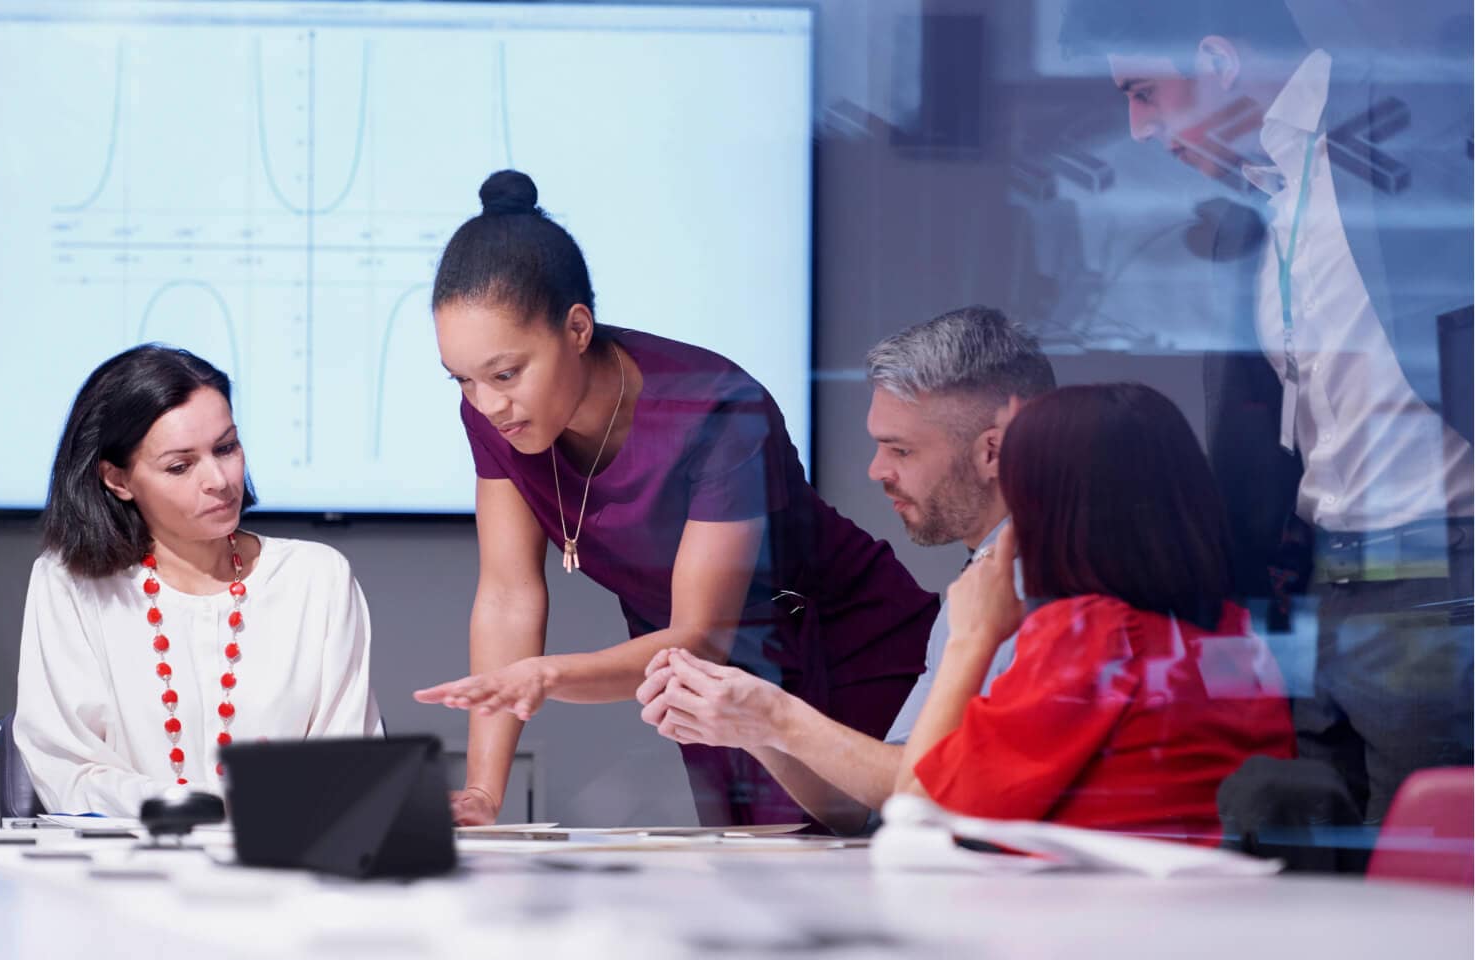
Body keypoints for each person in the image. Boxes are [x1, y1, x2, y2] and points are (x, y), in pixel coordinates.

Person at [412, 170, 940, 828]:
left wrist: (547, 676)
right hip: (701, 681)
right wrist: (485, 794)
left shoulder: (713, 407)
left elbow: (701, 635)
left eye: (506, 373)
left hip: (837, 648)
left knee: (877, 873)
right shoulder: (499, 419)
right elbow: (508, 595)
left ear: (577, 328)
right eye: (462, 380)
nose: (488, 403)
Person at [1061, 0, 1474, 824]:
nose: (1140, 129)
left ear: (1215, 61)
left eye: (1144, 92)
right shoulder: (1252, 213)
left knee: (1422, 881)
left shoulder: (1422, 131)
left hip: (1439, 564)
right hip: (1322, 582)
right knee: (1317, 870)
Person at [636, 307, 1056, 833]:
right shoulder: (982, 581)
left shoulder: (1046, 586)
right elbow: (874, 806)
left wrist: (777, 717)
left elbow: (927, 793)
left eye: (900, 449)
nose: (877, 470)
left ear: (991, 451)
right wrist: (753, 728)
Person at [894, 383, 1295, 838]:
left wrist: (971, 638)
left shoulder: (1092, 639)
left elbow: (913, 814)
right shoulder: (1234, 635)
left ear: (1052, 514)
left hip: (1096, 905)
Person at [14, 344, 382, 816]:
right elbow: (68, 770)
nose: (219, 479)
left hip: (284, 869)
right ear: (117, 480)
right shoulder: (69, 583)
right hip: (123, 873)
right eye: (180, 466)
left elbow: (349, 765)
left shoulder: (316, 578)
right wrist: (184, 806)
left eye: (226, 448)